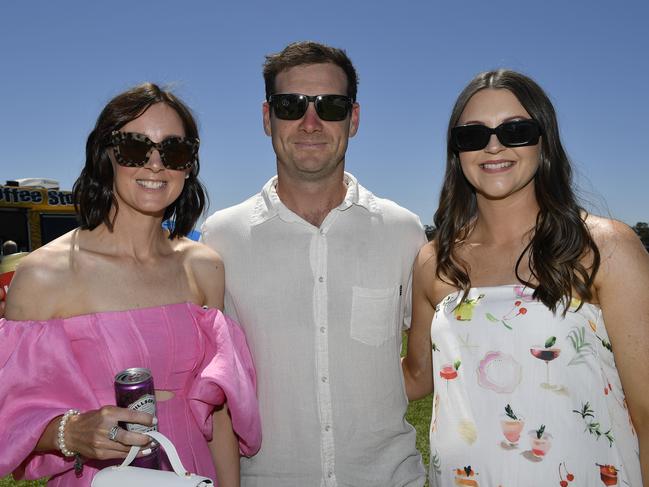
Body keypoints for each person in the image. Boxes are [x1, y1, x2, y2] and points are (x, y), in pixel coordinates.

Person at [0, 83, 261, 486]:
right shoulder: (45, 274)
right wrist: (71, 432)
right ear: (106, 155)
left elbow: (219, 411)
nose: (155, 164)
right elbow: (10, 418)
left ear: (189, 165)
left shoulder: (204, 267)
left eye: (174, 151)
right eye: (135, 148)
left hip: (193, 470)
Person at [402, 69, 648, 486]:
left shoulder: (604, 248)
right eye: (472, 135)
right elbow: (417, 377)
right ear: (456, 153)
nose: (493, 145)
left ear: (544, 141)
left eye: (516, 130)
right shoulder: (434, 261)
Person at [201, 41, 427, 486]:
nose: (310, 122)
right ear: (268, 119)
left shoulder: (403, 230)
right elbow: (216, 389)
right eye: (291, 105)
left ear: (353, 119)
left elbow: (423, 369)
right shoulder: (221, 238)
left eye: (330, 106)